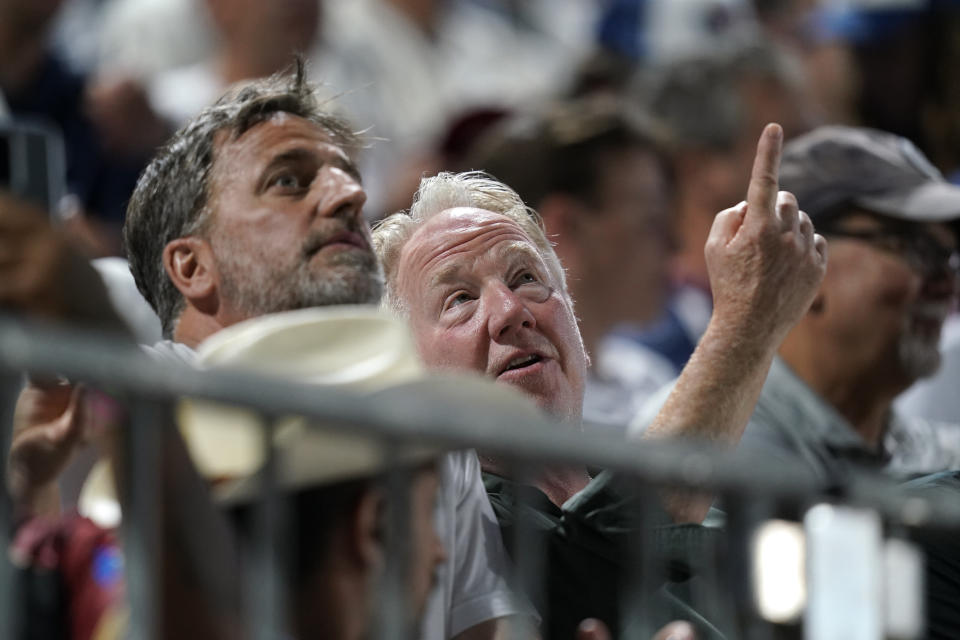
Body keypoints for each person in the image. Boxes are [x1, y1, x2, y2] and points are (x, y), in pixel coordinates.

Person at [6, 64, 527, 640]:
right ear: (192, 266)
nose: (350, 194)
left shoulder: (426, 421)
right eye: (289, 181)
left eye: (348, 176)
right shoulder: (113, 394)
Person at [372, 122, 827, 637]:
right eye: (460, 300)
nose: (510, 310)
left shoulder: (708, 508)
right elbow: (592, 565)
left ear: (575, 325)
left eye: (526, 278)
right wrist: (747, 322)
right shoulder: (457, 529)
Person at [733, 125, 960, 482]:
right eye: (916, 249)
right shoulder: (715, 439)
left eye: (948, 258)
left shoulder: (932, 454)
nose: (947, 284)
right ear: (799, 259)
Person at [466, 97, 677, 431]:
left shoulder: (651, 375)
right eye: (650, 222)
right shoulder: (525, 398)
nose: (673, 247)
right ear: (565, 228)